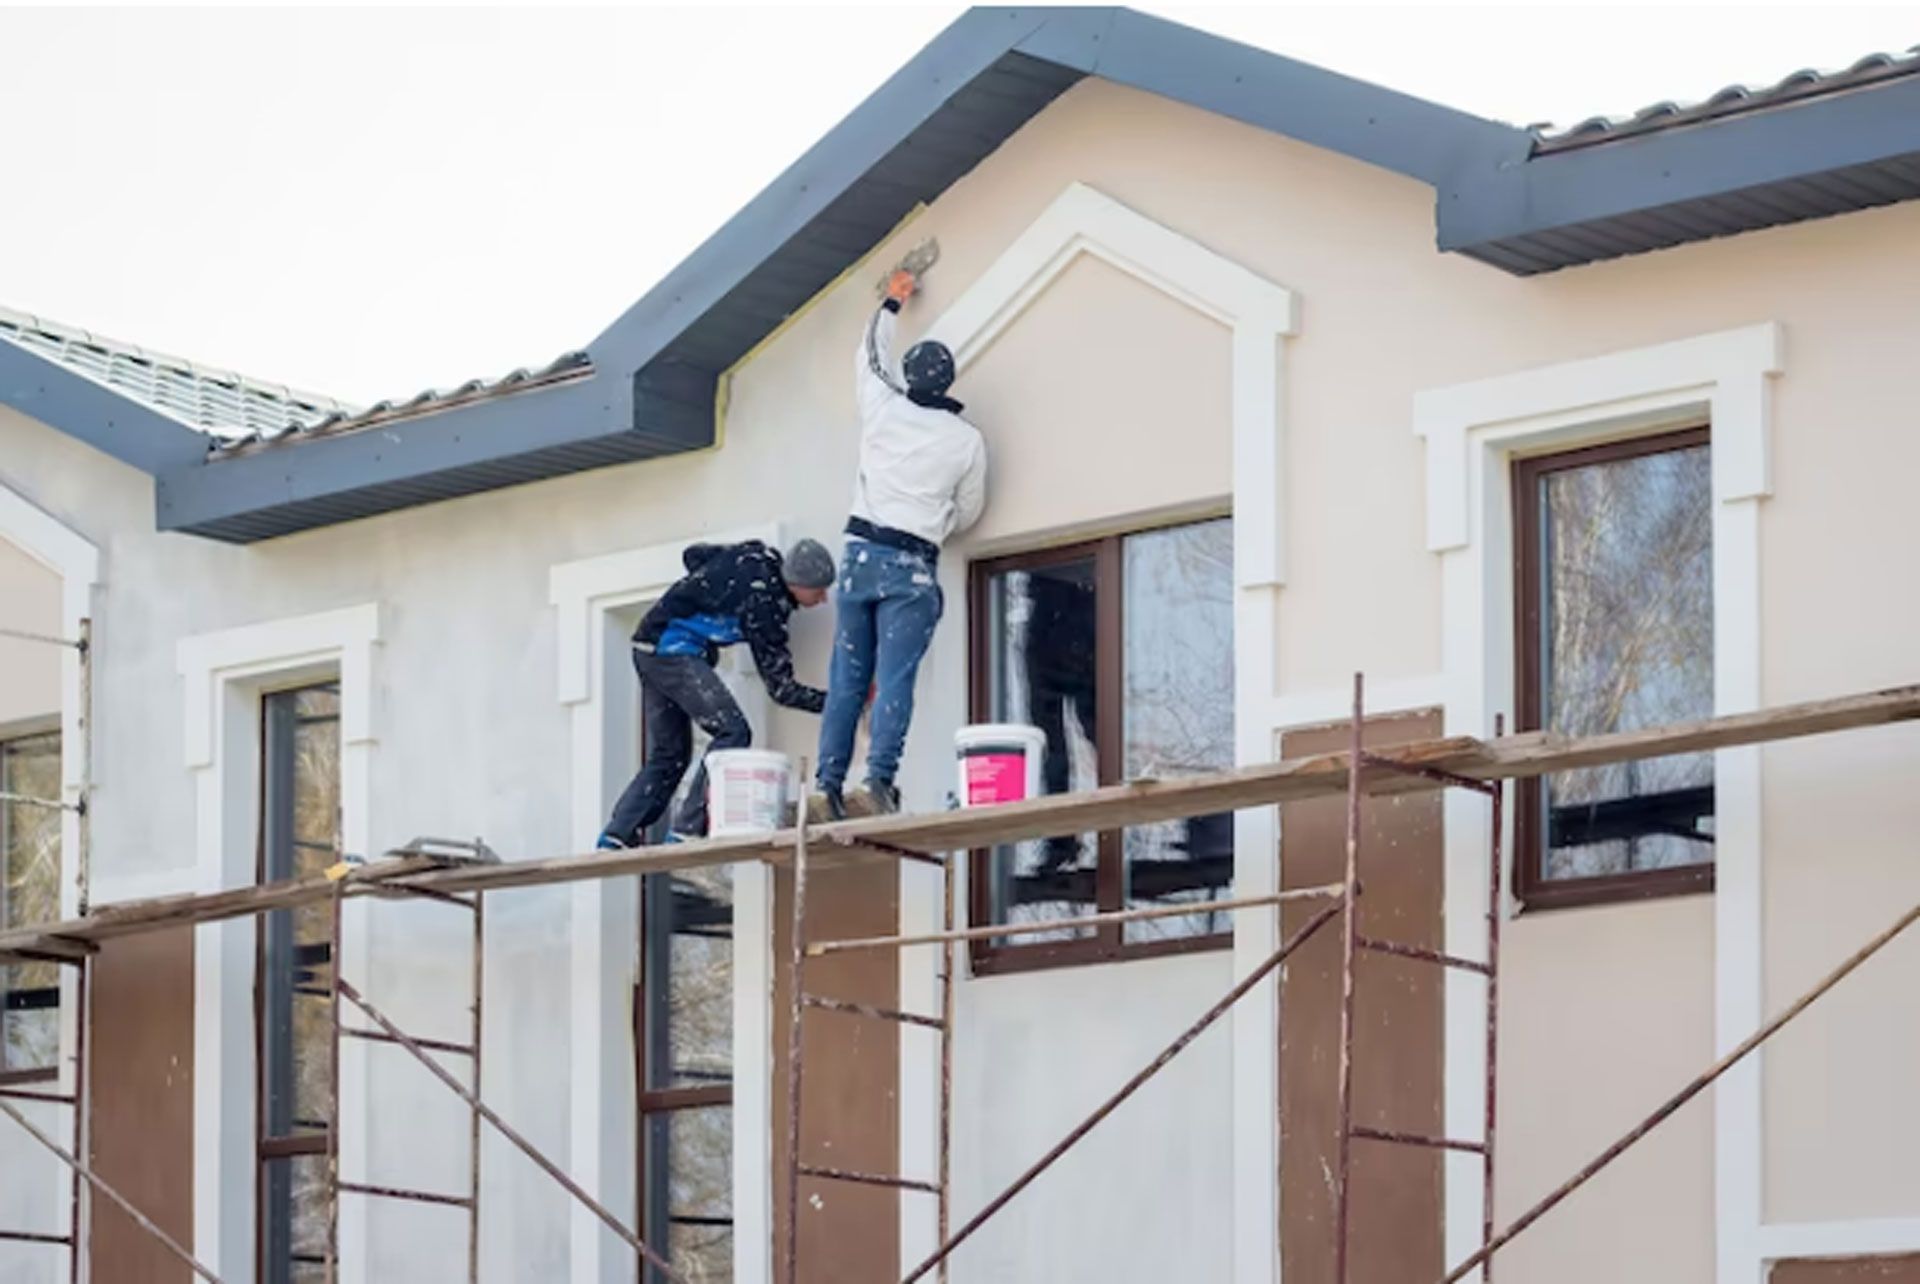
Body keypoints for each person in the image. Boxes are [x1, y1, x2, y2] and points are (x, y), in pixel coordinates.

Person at [815, 268, 988, 818]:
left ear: (911, 378)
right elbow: (970, 510)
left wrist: (892, 303)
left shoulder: (883, 407)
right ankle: (877, 782)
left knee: (847, 677)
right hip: (912, 564)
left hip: (859, 557)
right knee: (894, 678)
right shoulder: (964, 440)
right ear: (949, 382)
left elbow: (869, 354)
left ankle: (827, 785)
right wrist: (934, 522)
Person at [598, 538, 835, 848]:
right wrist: (835, 704)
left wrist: (704, 595)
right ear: (797, 584)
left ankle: (617, 834)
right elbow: (781, 689)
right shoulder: (764, 605)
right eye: (818, 591)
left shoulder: (754, 555)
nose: (824, 599)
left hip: (647, 646)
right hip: (672, 649)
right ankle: (688, 829)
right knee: (733, 731)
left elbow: (694, 554)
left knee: (670, 754)